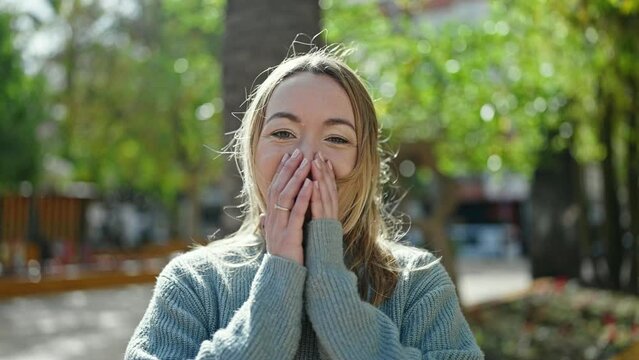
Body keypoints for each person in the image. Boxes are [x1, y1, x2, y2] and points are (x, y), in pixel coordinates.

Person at [125, 45, 484, 360]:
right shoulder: (194, 282)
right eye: (283, 133)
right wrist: (280, 273)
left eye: (336, 138)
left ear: (366, 163)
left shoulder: (418, 283)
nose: (308, 158)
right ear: (252, 150)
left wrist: (331, 284)